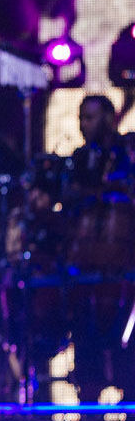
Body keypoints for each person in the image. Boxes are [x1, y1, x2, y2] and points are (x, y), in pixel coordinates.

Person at [61, 94, 134, 404]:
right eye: (81, 118)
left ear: (107, 118)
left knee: (125, 346)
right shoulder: (79, 159)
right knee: (86, 338)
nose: (83, 124)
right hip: (85, 267)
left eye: (89, 117)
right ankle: (87, 406)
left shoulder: (126, 151)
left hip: (123, 266)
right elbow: (67, 196)